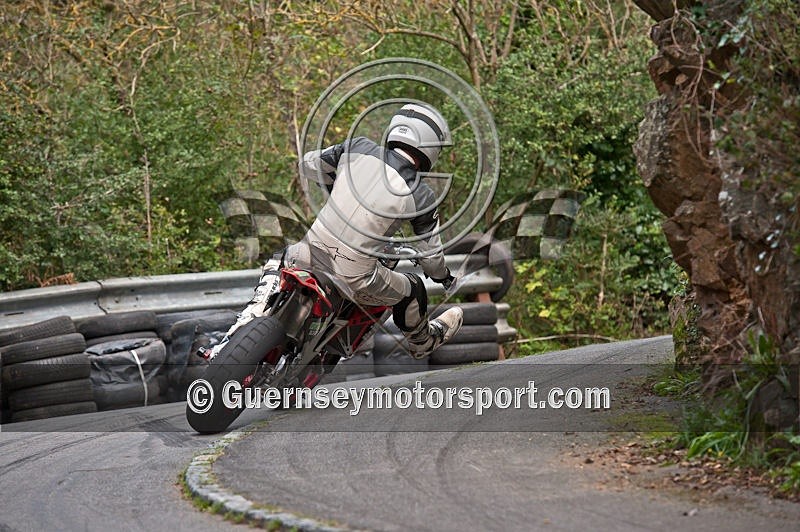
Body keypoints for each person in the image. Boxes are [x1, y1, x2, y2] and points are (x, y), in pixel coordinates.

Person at [208, 103, 463, 360]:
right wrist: (444, 277)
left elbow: (307, 164)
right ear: (431, 147)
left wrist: (335, 181)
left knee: (280, 258)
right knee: (413, 288)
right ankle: (421, 342)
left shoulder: (357, 147)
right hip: (354, 278)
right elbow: (431, 259)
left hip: (304, 255)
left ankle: (237, 330)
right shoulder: (422, 194)